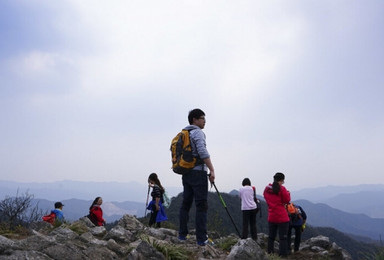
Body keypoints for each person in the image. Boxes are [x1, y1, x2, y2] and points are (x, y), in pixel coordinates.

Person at [178, 108, 215, 246]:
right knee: (201, 205)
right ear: (194, 119)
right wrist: (212, 169)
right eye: (202, 118)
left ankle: (182, 235)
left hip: (186, 172)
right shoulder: (198, 132)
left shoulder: (184, 133)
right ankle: (201, 239)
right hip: (198, 173)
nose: (205, 121)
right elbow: (202, 151)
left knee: (185, 204)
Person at [263, 172, 291, 257]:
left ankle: (270, 254)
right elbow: (287, 200)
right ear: (281, 180)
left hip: (272, 216)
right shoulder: (282, 189)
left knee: (271, 237)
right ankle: (283, 255)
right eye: (283, 181)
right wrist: (288, 193)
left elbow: (266, 197)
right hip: (282, 217)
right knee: (283, 238)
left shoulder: (267, 189)